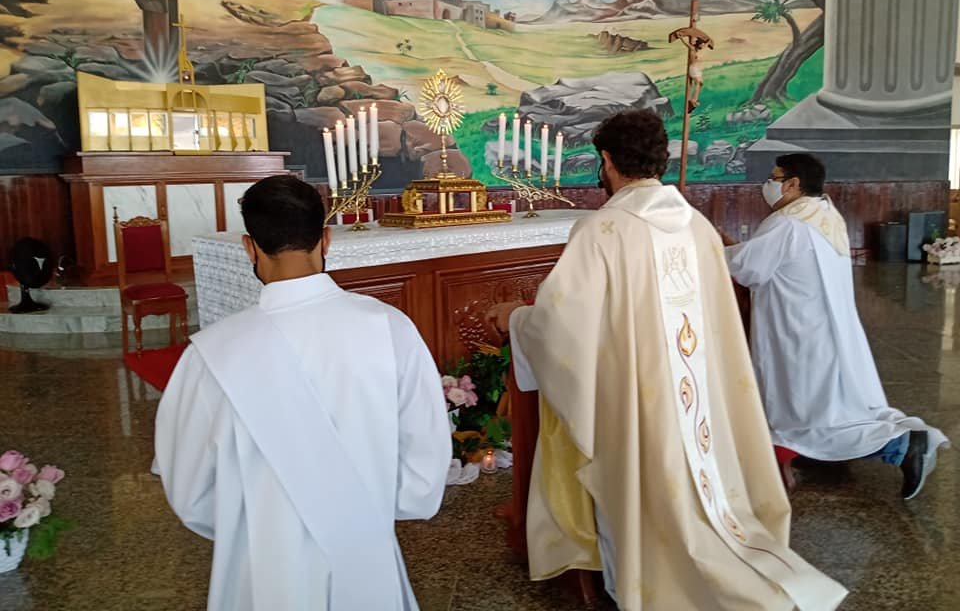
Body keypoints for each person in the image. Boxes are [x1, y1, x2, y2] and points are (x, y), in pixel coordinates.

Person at [487, 110, 847, 611]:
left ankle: (630, 581)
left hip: (636, 404)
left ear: (607, 161)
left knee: (630, 489)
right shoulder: (696, 225)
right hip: (697, 399)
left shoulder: (604, 230)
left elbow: (562, 329)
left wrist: (515, 321)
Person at [154, 175, 450, 610]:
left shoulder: (211, 356)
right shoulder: (390, 329)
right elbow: (424, 477)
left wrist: (258, 522)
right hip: (367, 557)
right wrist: (358, 514)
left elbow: (190, 493)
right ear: (326, 239)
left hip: (258, 570)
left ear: (249, 247)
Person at [724, 154, 949, 498]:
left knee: (809, 412)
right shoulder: (824, 213)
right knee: (826, 404)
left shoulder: (787, 223)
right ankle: (818, 451)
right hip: (824, 328)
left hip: (796, 332)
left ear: (793, 184)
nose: (767, 185)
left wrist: (709, 244)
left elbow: (747, 268)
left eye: (774, 177)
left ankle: (902, 446)